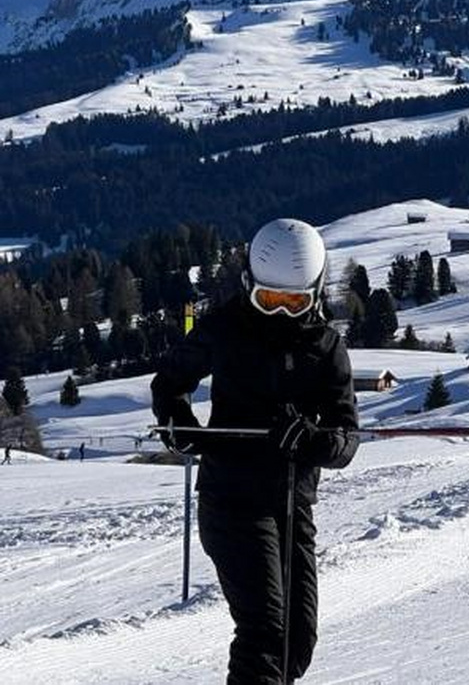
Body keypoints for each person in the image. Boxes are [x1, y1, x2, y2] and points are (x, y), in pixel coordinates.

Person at [152, 218, 359, 684]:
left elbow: (347, 438)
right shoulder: (225, 328)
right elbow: (170, 383)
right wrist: (179, 426)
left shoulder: (325, 348)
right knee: (265, 634)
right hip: (231, 500)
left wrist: (313, 439)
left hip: (292, 506)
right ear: (250, 286)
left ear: (316, 291)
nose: (281, 314)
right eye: (270, 300)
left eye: (294, 302)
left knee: (296, 643)